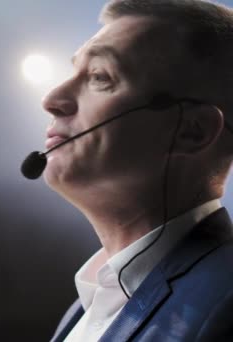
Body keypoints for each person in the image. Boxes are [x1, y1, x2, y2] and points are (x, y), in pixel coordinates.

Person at [38, 0, 233, 341]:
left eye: (100, 76)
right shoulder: (83, 308)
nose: (52, 98)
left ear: (192, 131)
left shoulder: (226, 302)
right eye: (74, 72)